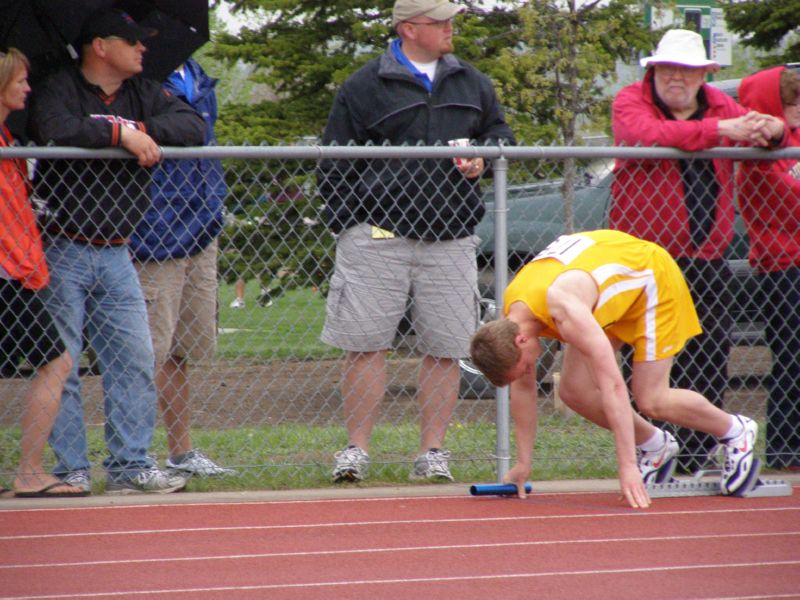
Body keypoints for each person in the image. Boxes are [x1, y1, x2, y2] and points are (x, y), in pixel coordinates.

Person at [317, 0, 515, 483]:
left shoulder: (472, 82)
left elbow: (500, 135)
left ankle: (432, 453)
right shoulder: (365, 85)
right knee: (365, 346)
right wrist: (354, 224)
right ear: (408, 28)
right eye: (439, 21)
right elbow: (333, 160)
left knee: (446, 349)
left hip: (451, 239)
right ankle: (356, 452)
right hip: (377, 238)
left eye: (451, 20)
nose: (450, 28)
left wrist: (484, 159)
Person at [28, 9, 206, 494]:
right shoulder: (59, 85)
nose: (142, 49)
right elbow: (53, 126)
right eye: (132, 41)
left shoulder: (144, 91)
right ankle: (71, 470)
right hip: (62, 245)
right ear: (100, 46)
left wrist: (138, 130)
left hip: (118, 250)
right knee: (60, 363)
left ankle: (130, 467)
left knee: (133, 358)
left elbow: (191, 126)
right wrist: (117, 134)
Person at [470, 229, 760, 508]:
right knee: (575, 391)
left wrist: (627, 466)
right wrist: (523, 463)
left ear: (521, 341)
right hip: (608, 293)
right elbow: (523, 390)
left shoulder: (566, 310)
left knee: (650, 399)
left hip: (650, 279)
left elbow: (612, 385)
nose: (527, 372)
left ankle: (736, 430)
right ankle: (654, 444)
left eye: (524, 367)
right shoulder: (513, 316)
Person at [610, 28, 784, 473]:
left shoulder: (720, 104)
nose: (676, 78)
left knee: (707, 355)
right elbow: (644, 134)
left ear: (704, 74)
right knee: (645, 362)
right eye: (667, 69)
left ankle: (701, 452)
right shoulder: (632, 99)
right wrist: (721, 130)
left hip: (705, 258)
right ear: (653, 70)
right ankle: (656, 449)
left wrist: (773, 127)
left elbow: (762, 132)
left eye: (687, 71)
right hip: (645, 260)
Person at [130, 57, 233, 477]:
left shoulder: (195, 73)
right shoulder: (137, 79)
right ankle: (132, 457)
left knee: (181, 349)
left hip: (200, 223)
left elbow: (197, 134)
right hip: (154, 228)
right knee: (145, 350)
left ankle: (182, 452)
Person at [0, 48, 85, 498]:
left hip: (18, 267)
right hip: (7, 272)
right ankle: (30, 472)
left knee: (55, 361)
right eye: (20, 81)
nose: (28, 89)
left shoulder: (9, 139)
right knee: (57, 361)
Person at [737, 65, 800, 472]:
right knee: (792, 357)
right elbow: (791, 205)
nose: (798, 113)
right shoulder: (760, 163)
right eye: (792, 105)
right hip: (782, 269)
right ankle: (784, 447)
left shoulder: (791, 144)